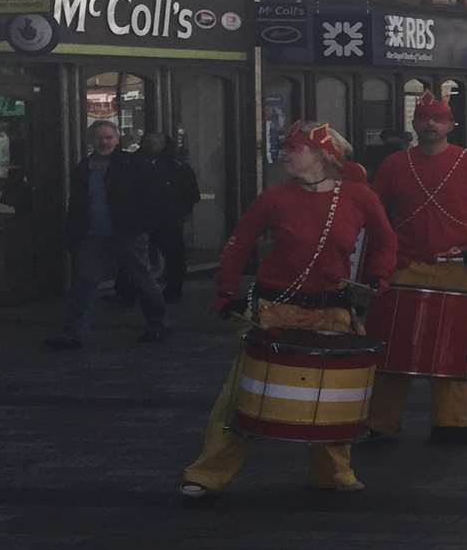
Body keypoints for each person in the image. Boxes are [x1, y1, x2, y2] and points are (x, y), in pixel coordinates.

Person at [179, 121, 397, 498]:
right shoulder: (274, 198)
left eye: (293, 148)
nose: (283, 154)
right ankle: (207, 474)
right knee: (241, 395)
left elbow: (387, 240)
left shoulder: (359, 197)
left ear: (321, 156)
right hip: (274, 310)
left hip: (332, 311)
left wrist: (379, 276)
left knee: (334, 395)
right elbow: (238, 243)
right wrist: (227, 289)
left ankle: (333, 472)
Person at [367, 92, 467, 445]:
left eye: (437, 118)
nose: (430, 123)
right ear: (414, 124)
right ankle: (381, 422)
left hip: (457, 266)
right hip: (405, 266)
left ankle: (452, 422)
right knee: (393, 347)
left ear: (450, 124)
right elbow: (371, 210)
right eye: (423, 118)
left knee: (457, 345)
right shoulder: (394, 164)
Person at [46, 121, 163, 350]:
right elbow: (78, 203)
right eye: (100, 138)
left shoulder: (131, 164)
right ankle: (74, 333)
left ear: (117, 139)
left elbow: (150, 197)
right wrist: (73, 233)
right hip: (93, 235)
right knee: (84, 282)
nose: (104, 142)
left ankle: (158, 323)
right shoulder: (84, 167)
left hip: (126, 233)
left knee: (142, 279)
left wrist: (141, 225)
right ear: (92, 140)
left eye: (109, 137)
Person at [143, 133, 200, 303]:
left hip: (168, 218)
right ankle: (127, 290)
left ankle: (173, 289)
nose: (146, 146)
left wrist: (179, 213)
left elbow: (191, 194)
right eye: (146, 142)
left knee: (173, 254)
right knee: (134, 254)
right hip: (143, 217)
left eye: (152, 143)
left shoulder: (178, 167)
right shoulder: (137, 164)